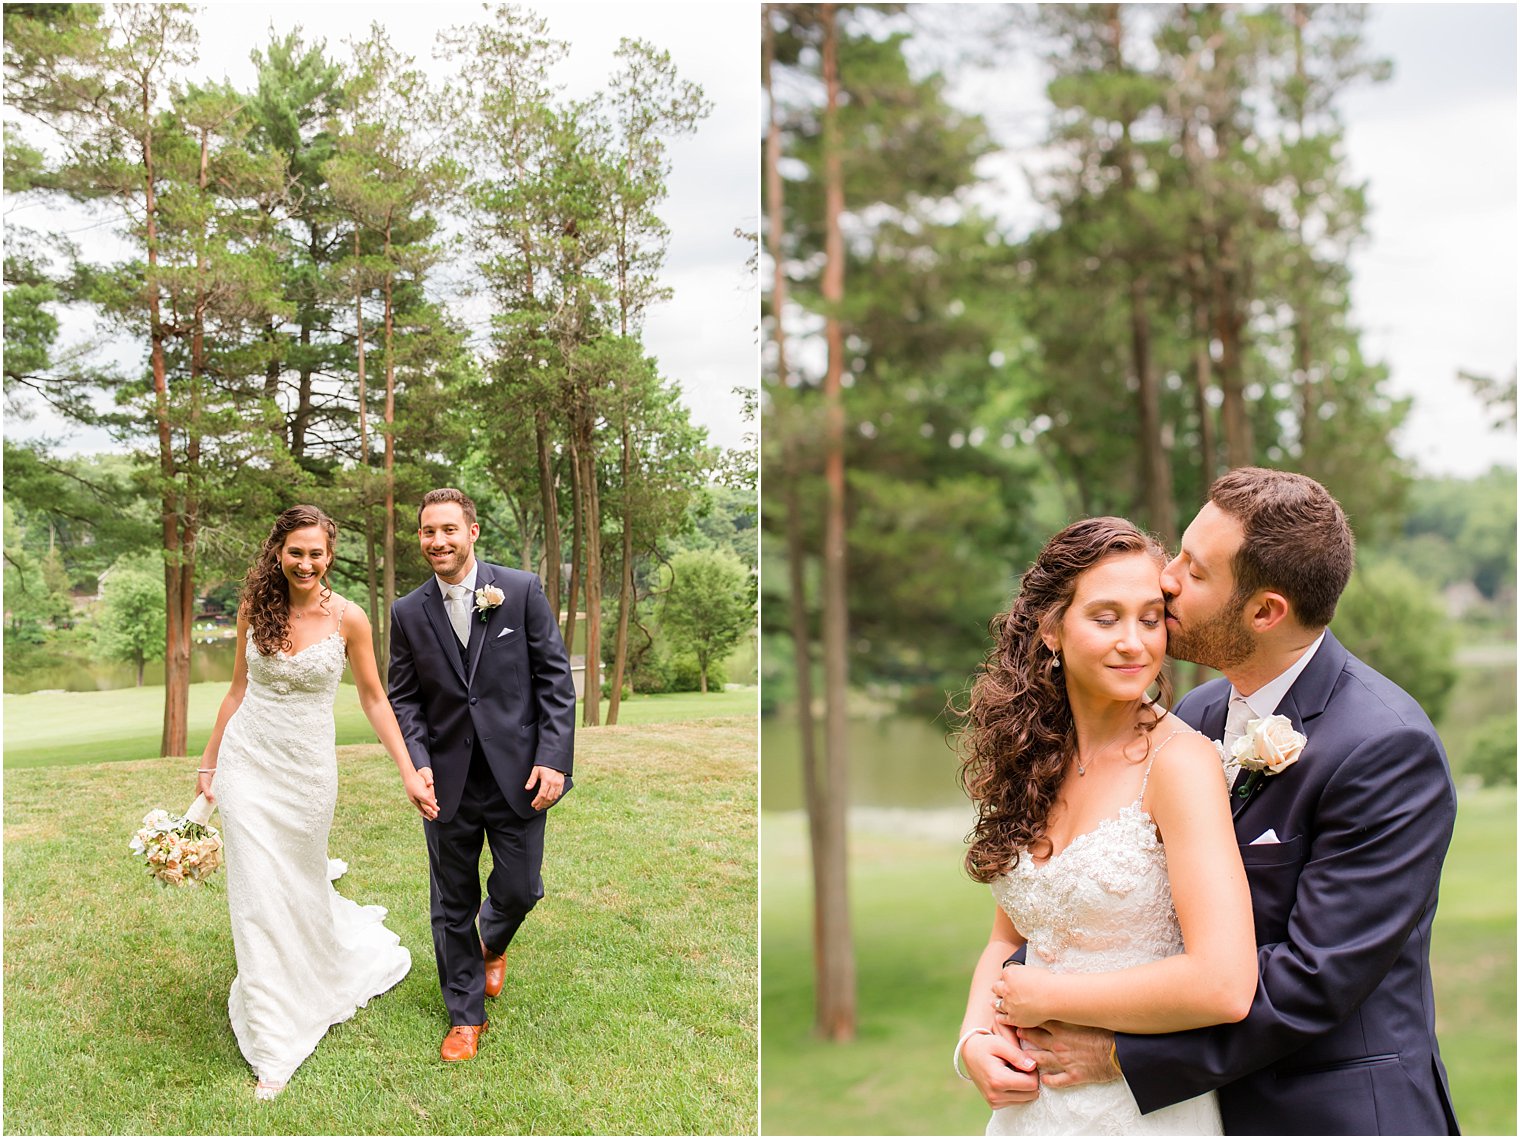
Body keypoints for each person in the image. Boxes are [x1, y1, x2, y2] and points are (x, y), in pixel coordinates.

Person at [995, 469, 1460, 1135]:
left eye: (1196, 569)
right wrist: (1001, 1014)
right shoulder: (1198, 712)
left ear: (1265, 611)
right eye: (1179, 551)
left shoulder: (1386, 747)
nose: (1167, 578)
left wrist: (1129, 1052)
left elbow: (1314, 977)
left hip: (1331, 1114)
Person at [955, 516, 1257, 1135]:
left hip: (1137, 1111)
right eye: (1105, 617)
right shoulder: (1032, 758)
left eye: (1150, 618)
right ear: (1050, 630)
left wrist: (1050, 998)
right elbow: (1006, 940)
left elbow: (1224, 982)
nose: (1134, 642)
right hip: (1030, 1113)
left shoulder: (1181, 763)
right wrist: (974, 1039)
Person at [196, 505, 439, 1101]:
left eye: (316, 553)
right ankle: (275, 1044)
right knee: (254, 893)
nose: (305, 563)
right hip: (248, 763)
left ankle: (318, 966)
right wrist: (209, 763)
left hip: (306, 774)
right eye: (295, 551)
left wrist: (409, 771)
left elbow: (375, 701)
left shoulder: (349, 619)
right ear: (278, 551)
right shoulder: (256, 609)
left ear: (329, 555)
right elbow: (236, 692)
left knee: (298, 884)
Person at [387, 487, 577, 1063]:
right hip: (445, 781)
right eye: (427, 532)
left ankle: (490, 940)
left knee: (521, 889)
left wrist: (555, 758)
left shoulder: (518, 591)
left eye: (448, 529)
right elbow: (404, 700)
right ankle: (465, 1016)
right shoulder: (405, 612)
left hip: (517, 773)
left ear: (471, 531)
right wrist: (417, 765)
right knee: (451, 899)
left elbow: (554, 680)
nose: (437, 541)